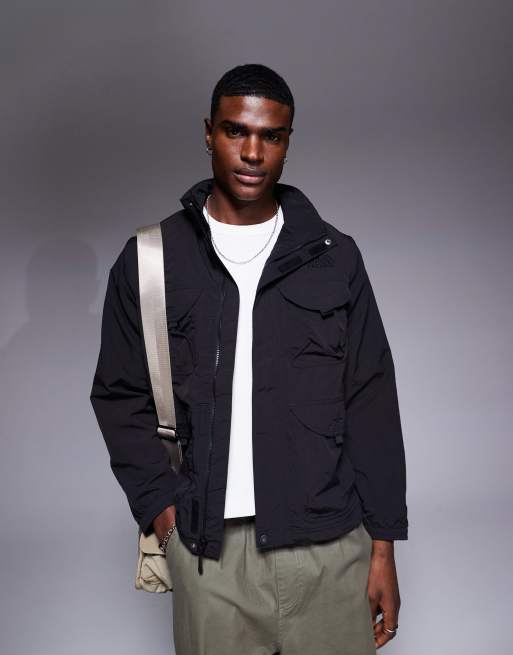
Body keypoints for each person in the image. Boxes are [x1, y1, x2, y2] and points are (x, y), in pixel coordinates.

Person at [90, 63, 408, 655]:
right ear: (209, 133)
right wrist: (164, 516)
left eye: (271, 136)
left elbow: (370, 401)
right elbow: (119, 398)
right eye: (236, 131)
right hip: (209, 555)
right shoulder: (150, 260)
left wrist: (384, 548)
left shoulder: (334, 257)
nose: (253, 152)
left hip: (331, 549)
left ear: (288, 142)